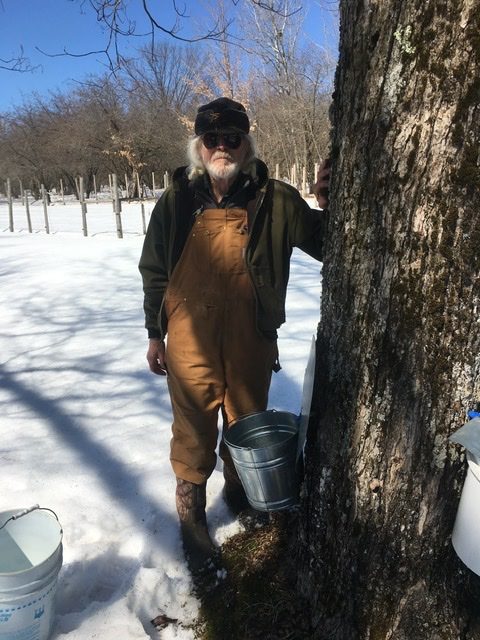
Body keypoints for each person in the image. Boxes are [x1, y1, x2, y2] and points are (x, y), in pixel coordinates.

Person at [138, 97, 330, 574]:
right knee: (193, 430)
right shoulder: (177, 200)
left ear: (247, 143)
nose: (221, 147)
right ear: (198, 146)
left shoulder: (276, 199)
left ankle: (240, 493)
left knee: (245, 422)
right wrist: (154, 333)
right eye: (212, 139)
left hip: (252, 337)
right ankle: (192, 521)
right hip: (188, 338)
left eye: (232, 138)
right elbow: (154, 271)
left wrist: (330, 204)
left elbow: (331, 245)